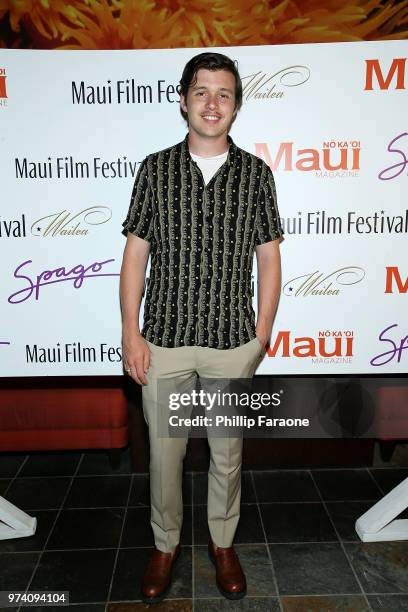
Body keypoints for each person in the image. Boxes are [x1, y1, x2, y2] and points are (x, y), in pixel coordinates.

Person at [120, 51, 283, 604]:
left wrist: (260, 335)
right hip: (163, 341)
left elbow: (269, 259)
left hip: (231, 344)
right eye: (201, 91)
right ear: (183, 99)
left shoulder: (256, 174)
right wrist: (130, 333)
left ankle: (222, 543)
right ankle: (164, 546)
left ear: (236, 106)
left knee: (226, 455)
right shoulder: (156, 168)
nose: (212, 103)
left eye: (224, 93)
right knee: (164, 456)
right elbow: (135, 256)